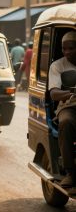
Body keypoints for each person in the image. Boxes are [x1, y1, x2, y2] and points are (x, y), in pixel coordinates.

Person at [49, 31, 76, 188]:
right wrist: (71, 92)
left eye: (71, 48)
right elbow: (54, 93)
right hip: (68, 105)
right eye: (64, 49)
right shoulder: (58, 65)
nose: (66, 52)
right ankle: (70, 173)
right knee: (66, 122)